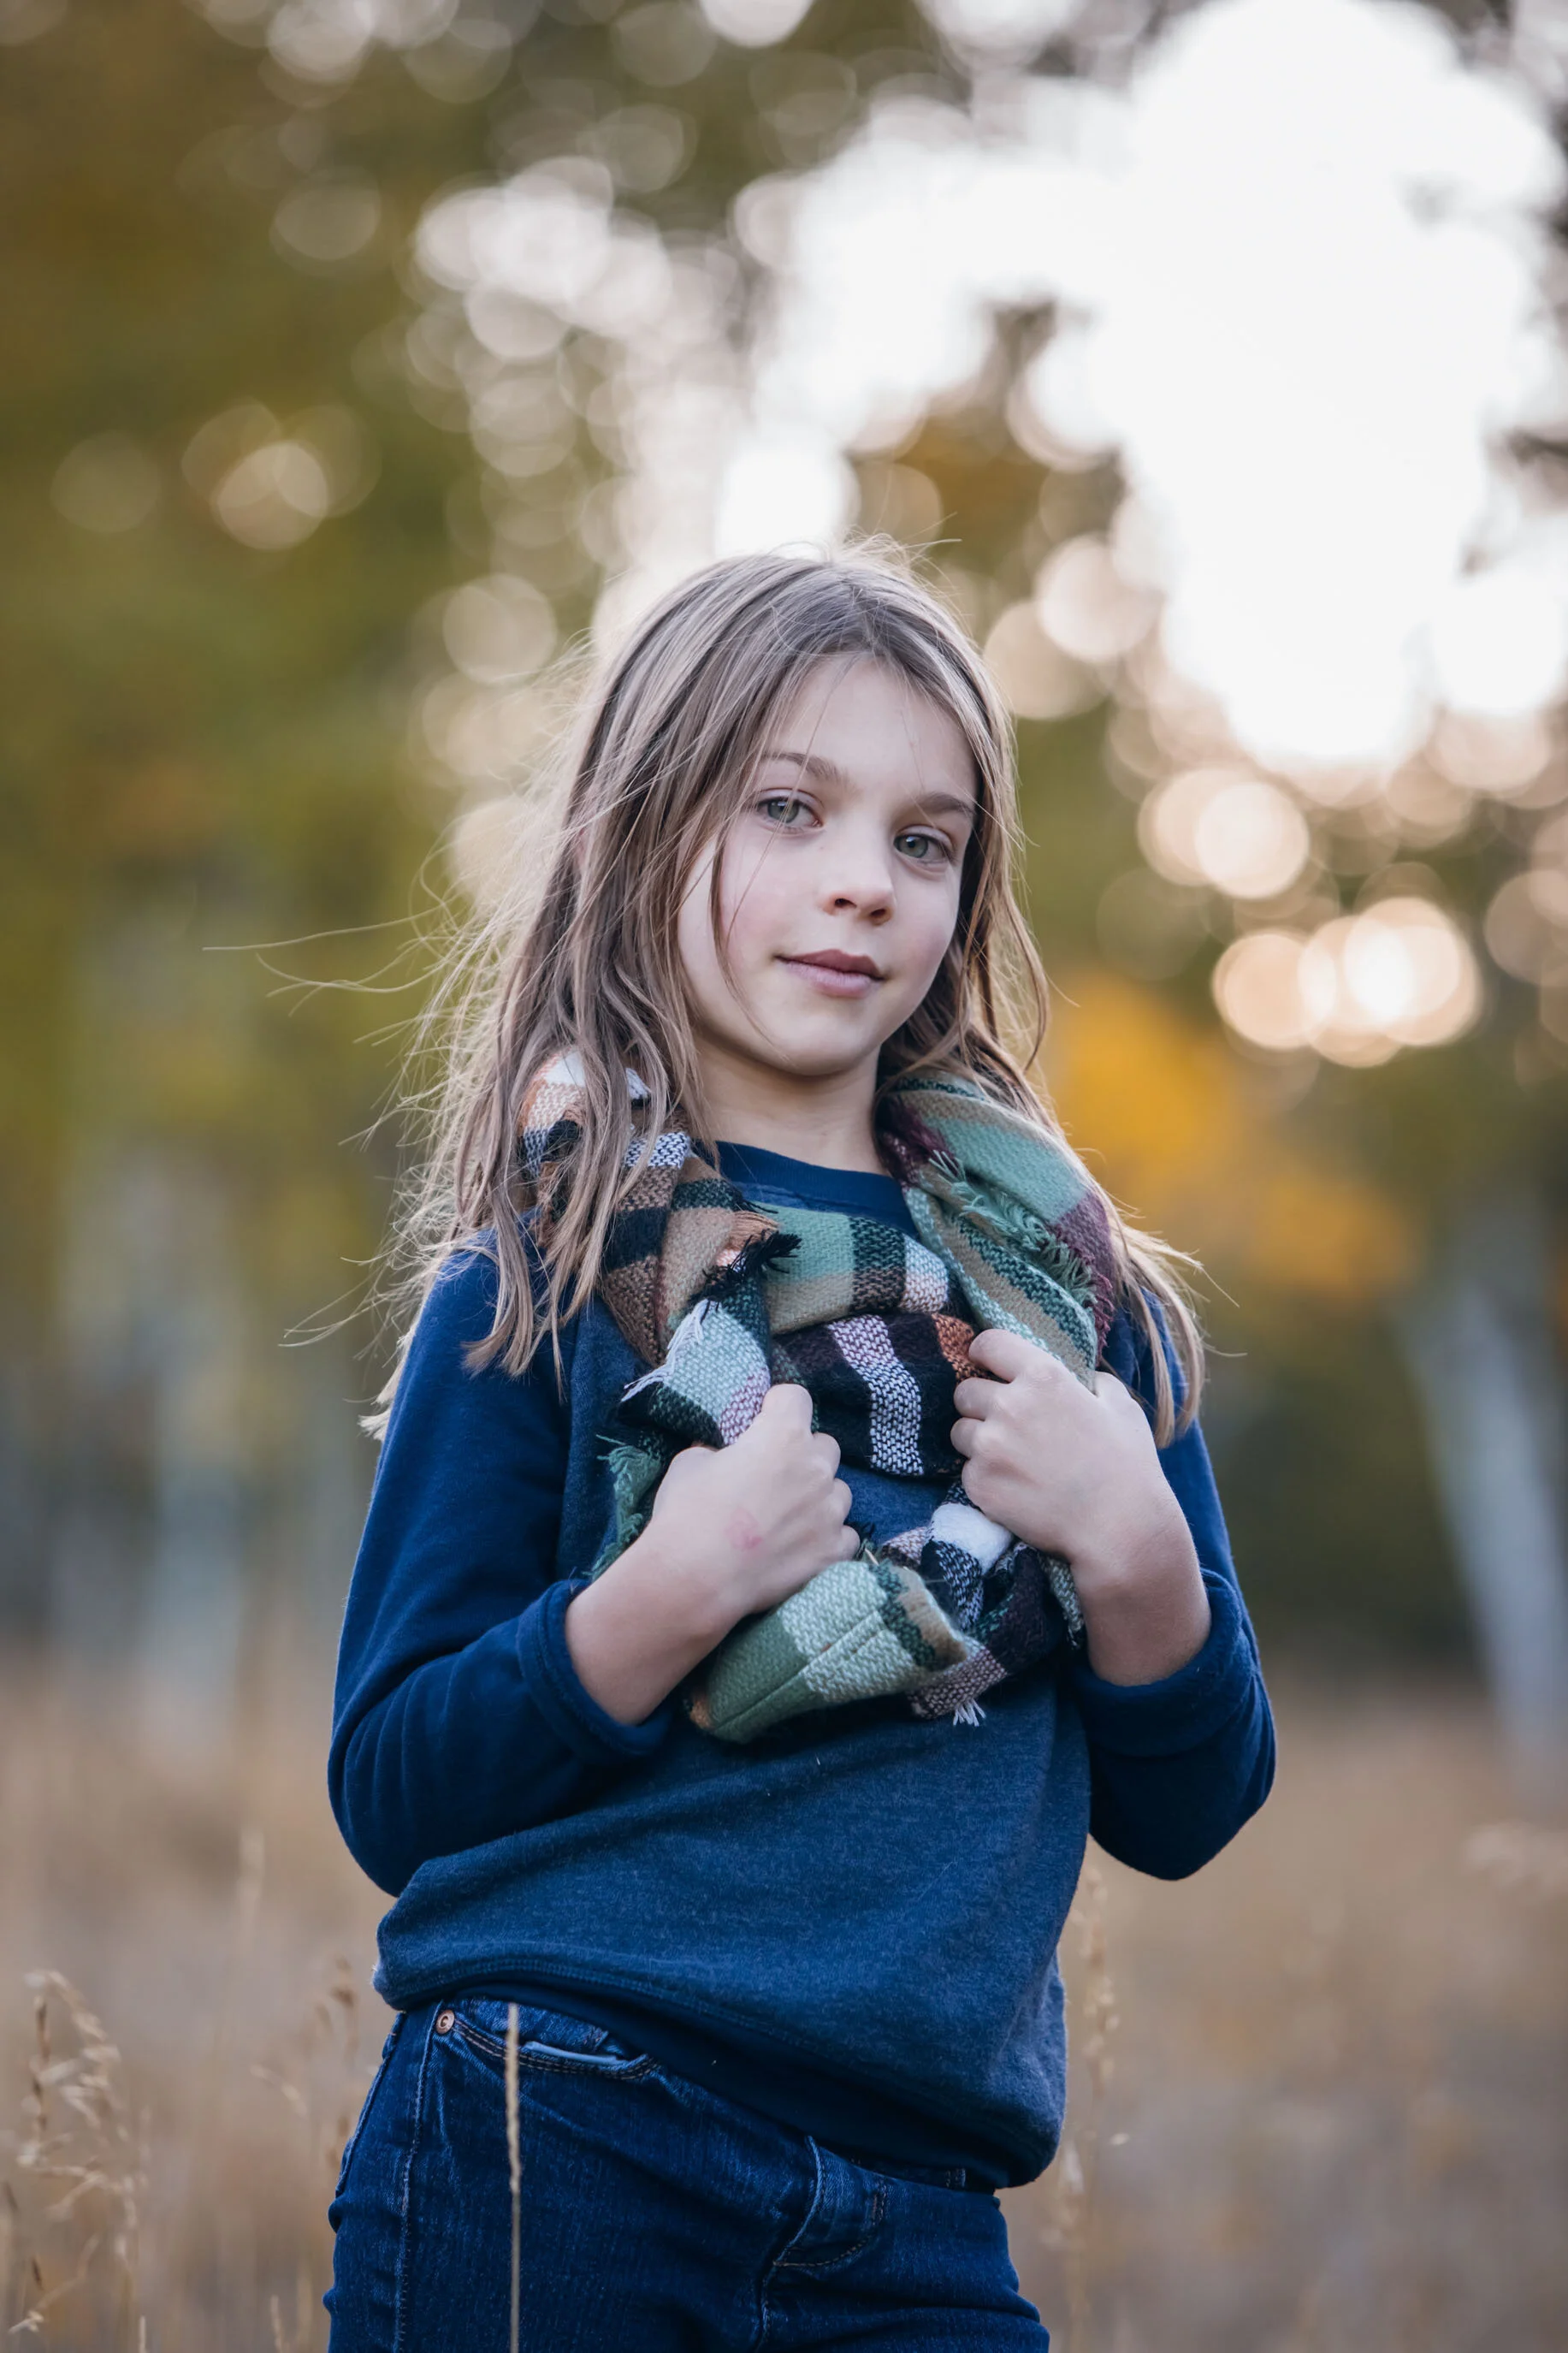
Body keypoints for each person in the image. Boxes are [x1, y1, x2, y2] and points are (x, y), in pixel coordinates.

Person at [322, 542, 1275, 2350]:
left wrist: (1135, 1558)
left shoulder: (1069, 1312)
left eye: (922, 841)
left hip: (918, 2217)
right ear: (634, 838)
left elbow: (1192, 1801)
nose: (861, 883)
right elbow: (394, 1781)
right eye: (787, 808)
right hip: (556, 2138)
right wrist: (663, 1595)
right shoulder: (539, 1282)